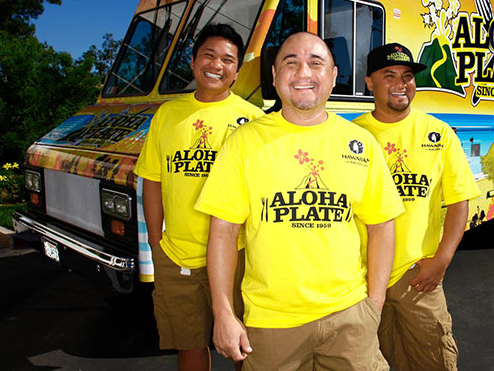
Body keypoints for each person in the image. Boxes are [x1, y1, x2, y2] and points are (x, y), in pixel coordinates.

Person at [195, 32, 404, 371]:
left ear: (334, 77)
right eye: (290, 63)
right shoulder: (244, 142)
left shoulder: (361, 143)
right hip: (271, 323)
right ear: (275, 77)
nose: (303, 72)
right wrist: (223, 312)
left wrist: (373, 307)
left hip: (350, 318)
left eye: (316, 63)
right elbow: (223, 231)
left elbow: (382, 226)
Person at [134, 23, 263, 371]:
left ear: (236, 72)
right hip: (177, 254)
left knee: (243, 347)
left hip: (238, 255)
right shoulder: (167, 115)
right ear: (192, 62)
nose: (216, 65)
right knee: (189, 345)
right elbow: (153, 181)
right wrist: (156, 243)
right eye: (209, 55)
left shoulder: (254, 121)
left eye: (227, 60)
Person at [354, 43, 480, 371]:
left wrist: (442, 259)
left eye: (408, 76)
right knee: (370, 362)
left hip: (417, 278)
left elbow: (458, 201)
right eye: (390, 75)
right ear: (369, 83)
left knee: (434, 360)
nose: (402, 83)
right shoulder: (351, 135)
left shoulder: (438, 133)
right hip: (361, 279)